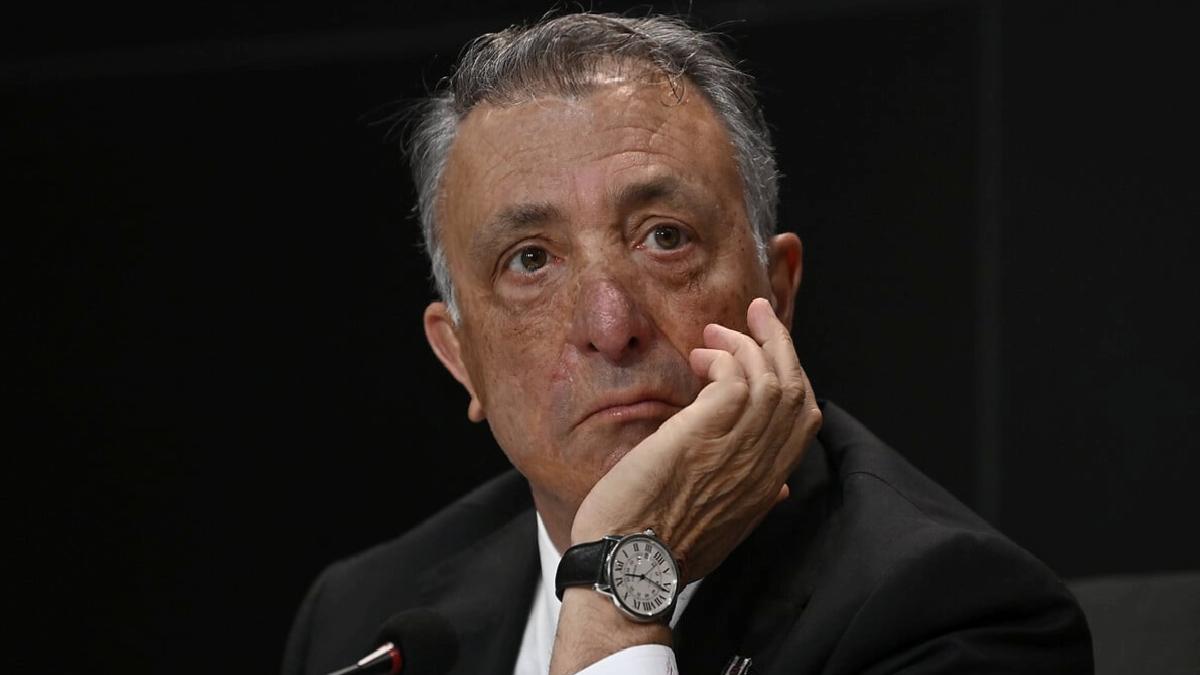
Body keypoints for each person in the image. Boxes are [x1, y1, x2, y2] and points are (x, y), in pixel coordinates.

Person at [283, 12, 1092, 675]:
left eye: (664, 237)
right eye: (530, 260)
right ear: (460, 357)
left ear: (777, 293)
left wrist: (616, 598)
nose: (611, 325)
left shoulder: (953, 616)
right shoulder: (360, 615)